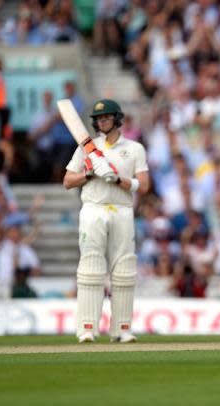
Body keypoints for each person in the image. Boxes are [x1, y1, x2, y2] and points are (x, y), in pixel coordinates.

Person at [63, 98, 150, 343]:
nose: (102, 122)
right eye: (99, 119)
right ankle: (87, 328)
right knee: (91, 268)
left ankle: (122, 329)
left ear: (117, 119)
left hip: (122, 209)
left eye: (106, 117)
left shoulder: (134, 148)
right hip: (93, 209)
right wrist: (89, 174)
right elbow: (68, 181)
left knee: (124, 270)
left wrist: (119, 181)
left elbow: (143, 186)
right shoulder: (86, 148)